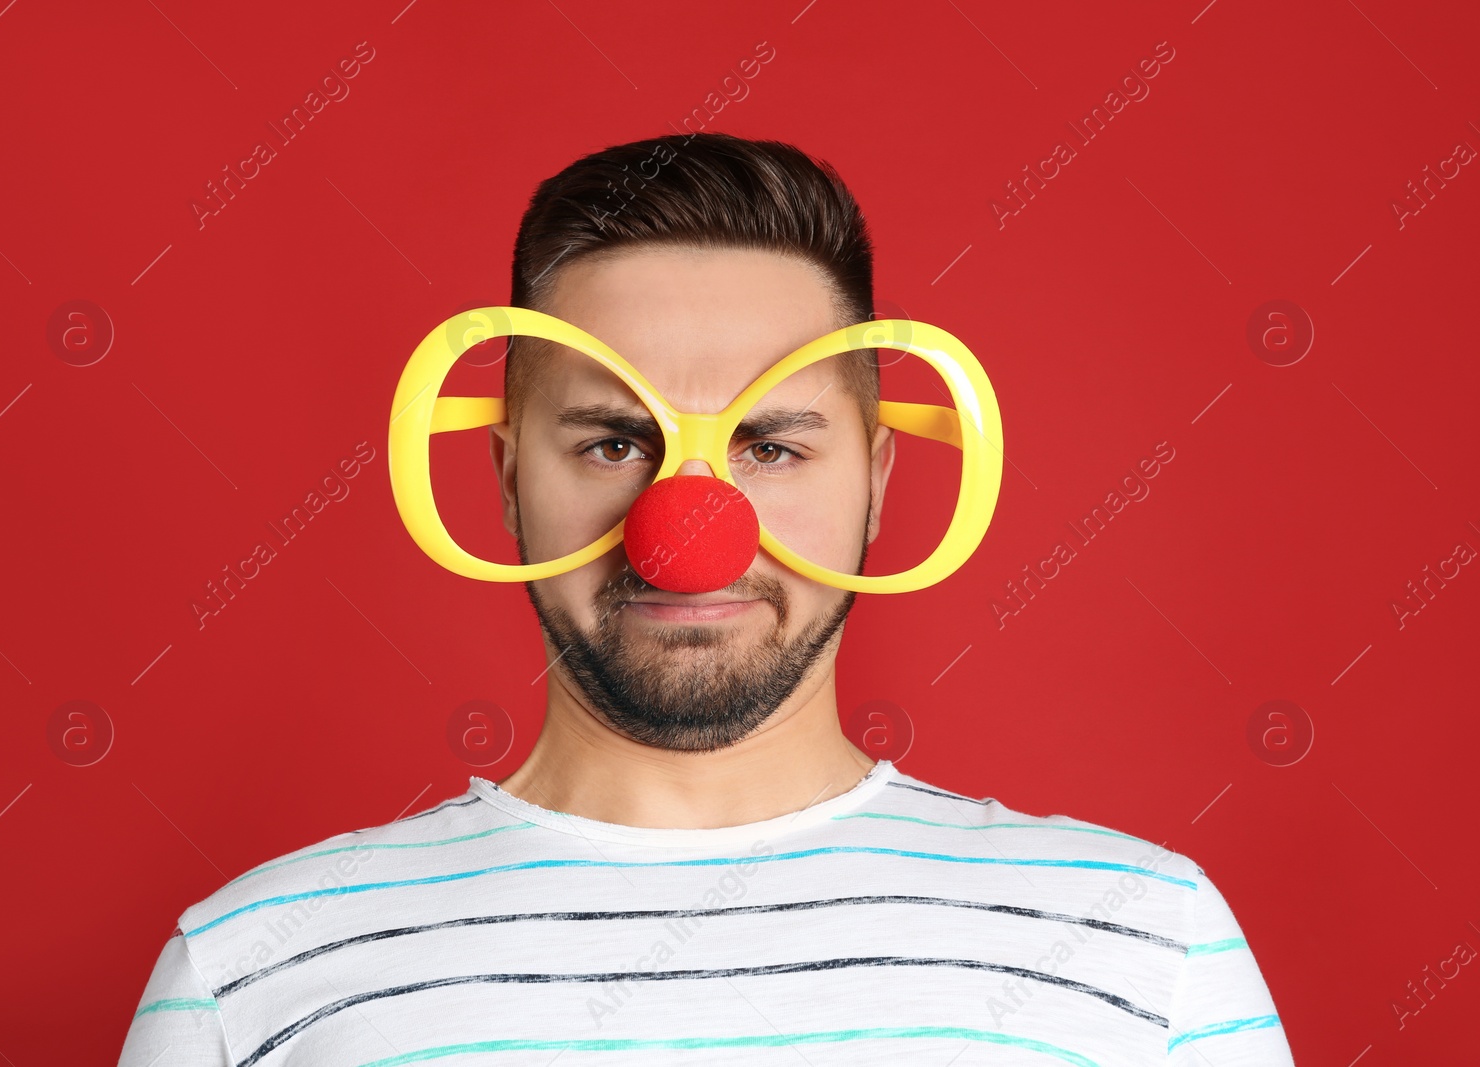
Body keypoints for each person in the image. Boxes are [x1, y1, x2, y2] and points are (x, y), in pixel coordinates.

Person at [117, 132, 1293, 1066]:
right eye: (615, 442)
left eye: (770, 446)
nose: (687, 527)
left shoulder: (1141, 937)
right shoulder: (252, 964)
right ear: (505, 477)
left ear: (878, 482)